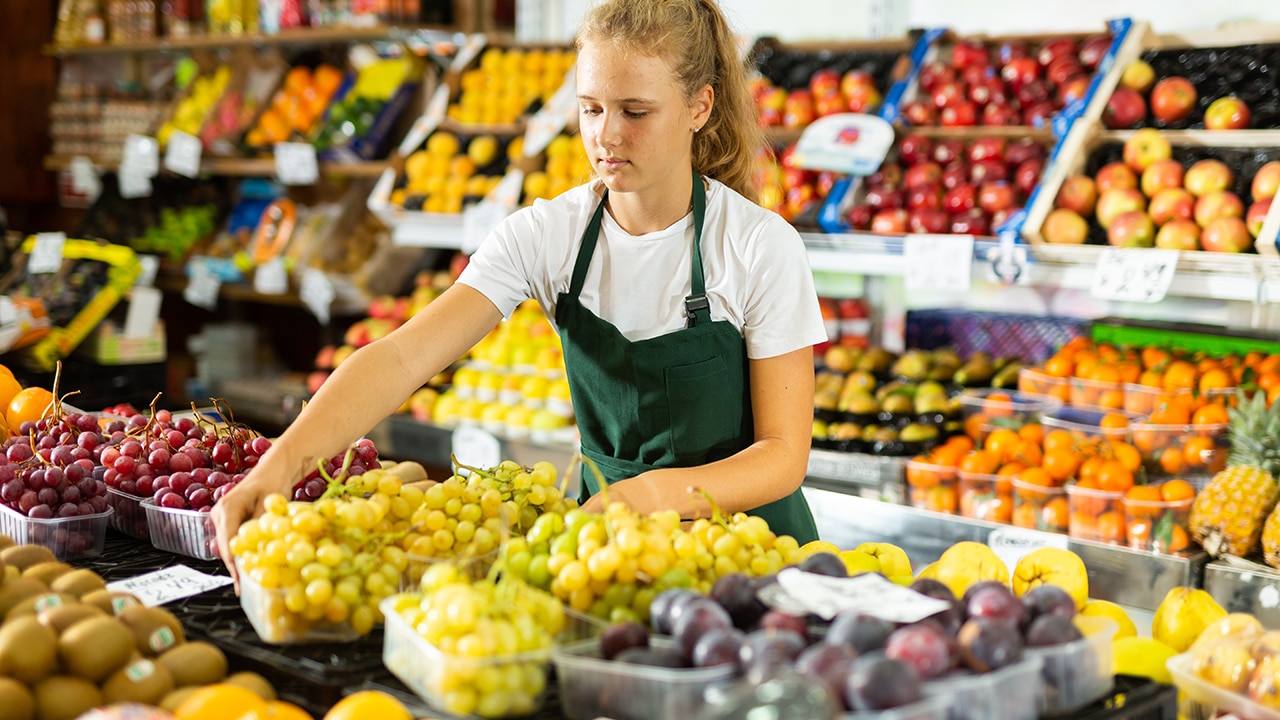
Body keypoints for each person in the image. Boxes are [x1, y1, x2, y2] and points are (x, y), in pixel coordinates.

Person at [212, 0, 827, 578]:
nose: (606, 137)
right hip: (612, 557)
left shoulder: (758, 246)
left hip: (751, 559)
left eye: (635, 111)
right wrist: (277, 467)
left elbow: (782, 454)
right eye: (591, 108)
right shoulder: (547, 235)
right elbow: (399, 359)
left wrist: (655, 494)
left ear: (699, 107)